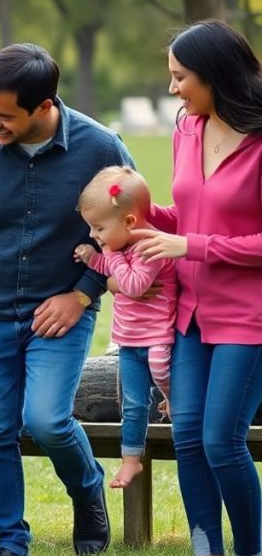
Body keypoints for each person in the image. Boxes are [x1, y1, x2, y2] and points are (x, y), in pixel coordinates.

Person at [0, 43, 134, 556]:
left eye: (4, 115)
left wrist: (82, 294)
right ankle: (9, 543)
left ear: (45, 105)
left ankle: (87, 491)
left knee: (46, 420)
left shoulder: (101, 148)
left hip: (62, 312)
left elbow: (128, 233)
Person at [135, 20, 262, 556]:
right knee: (187, 436)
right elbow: (189, 214)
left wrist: (194, 245)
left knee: (222, 440)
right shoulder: (188, 128)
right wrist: (141, 217)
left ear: (217, 75)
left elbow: (206, 237)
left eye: (181, 77)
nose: (173, 89)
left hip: (248, 317)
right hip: (190, 312)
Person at [72, 166, 177, 489]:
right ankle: (131, 459)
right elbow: (109, 268)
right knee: (132, 404)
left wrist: (106, 256)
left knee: (161, 368)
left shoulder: (150, 247)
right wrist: (92, 258)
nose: (94, 235)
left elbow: (133, 284)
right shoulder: (118, 247)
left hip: (158, 337)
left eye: (99, 228)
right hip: (129, 342)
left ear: (130, 222)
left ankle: (172, 397)